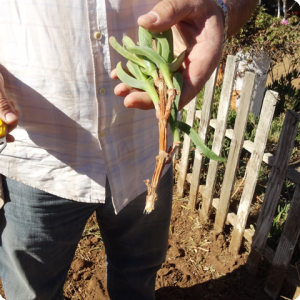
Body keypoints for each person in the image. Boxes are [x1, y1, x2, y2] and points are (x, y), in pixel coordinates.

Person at [0, 0, 257, 299]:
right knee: (30, 292)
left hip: (144, 152)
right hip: (40, 159)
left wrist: (221, 9)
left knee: (138, 279)